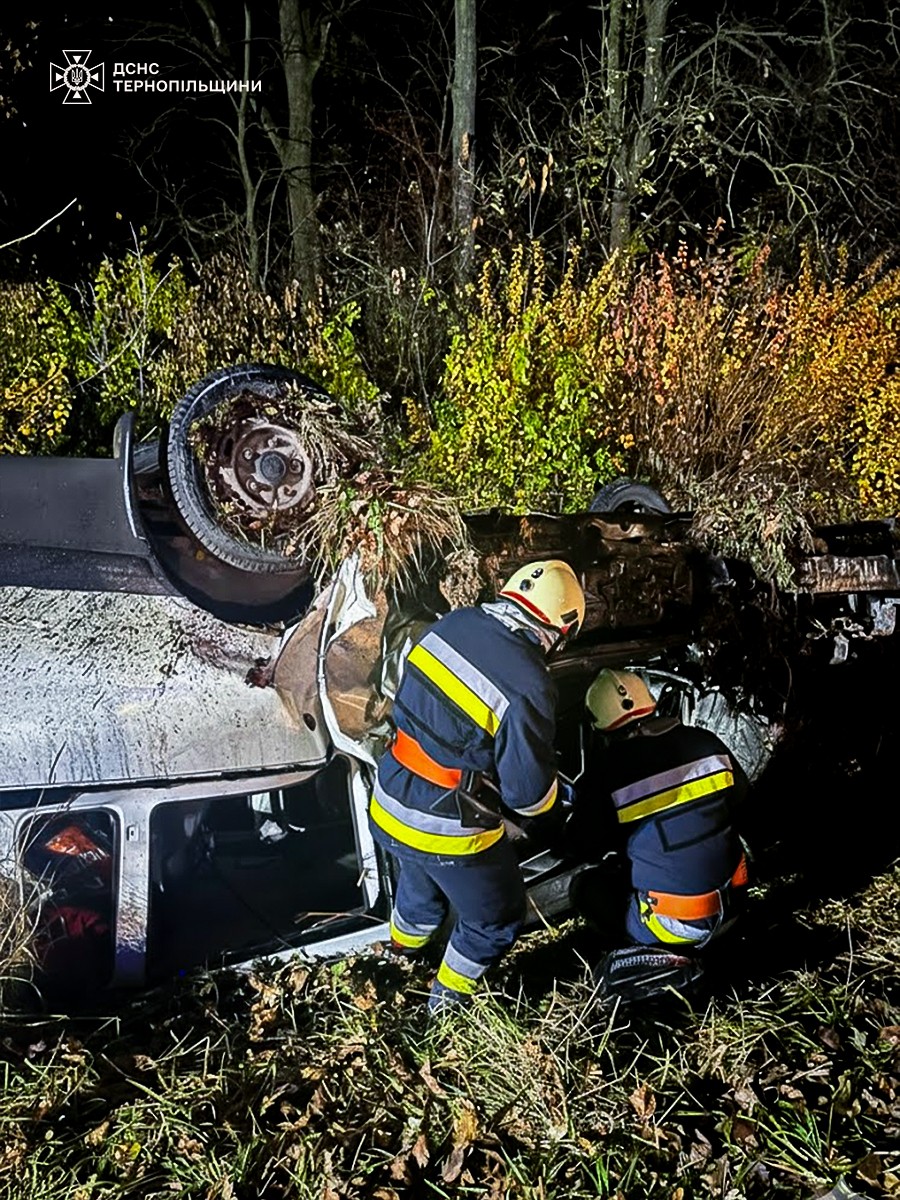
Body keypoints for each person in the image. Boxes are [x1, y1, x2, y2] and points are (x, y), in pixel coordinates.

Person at [369, 559, 586, 1013]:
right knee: (496, 919)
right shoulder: (528, 683)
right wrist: (555, 818)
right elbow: (528, 795)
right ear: (560, 629)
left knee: (420, 889)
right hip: (442, 825)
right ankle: (445, 1004)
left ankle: (396, 960)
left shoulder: (455, 623)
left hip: (389, 800)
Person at [566, 668, 749, 999]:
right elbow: (743, 802)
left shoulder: (606, 771)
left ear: (600, 726)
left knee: (587, 888)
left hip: (675, 928)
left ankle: (652, 955)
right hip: (735, 906)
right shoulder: (706, 742)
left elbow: (582, 845)